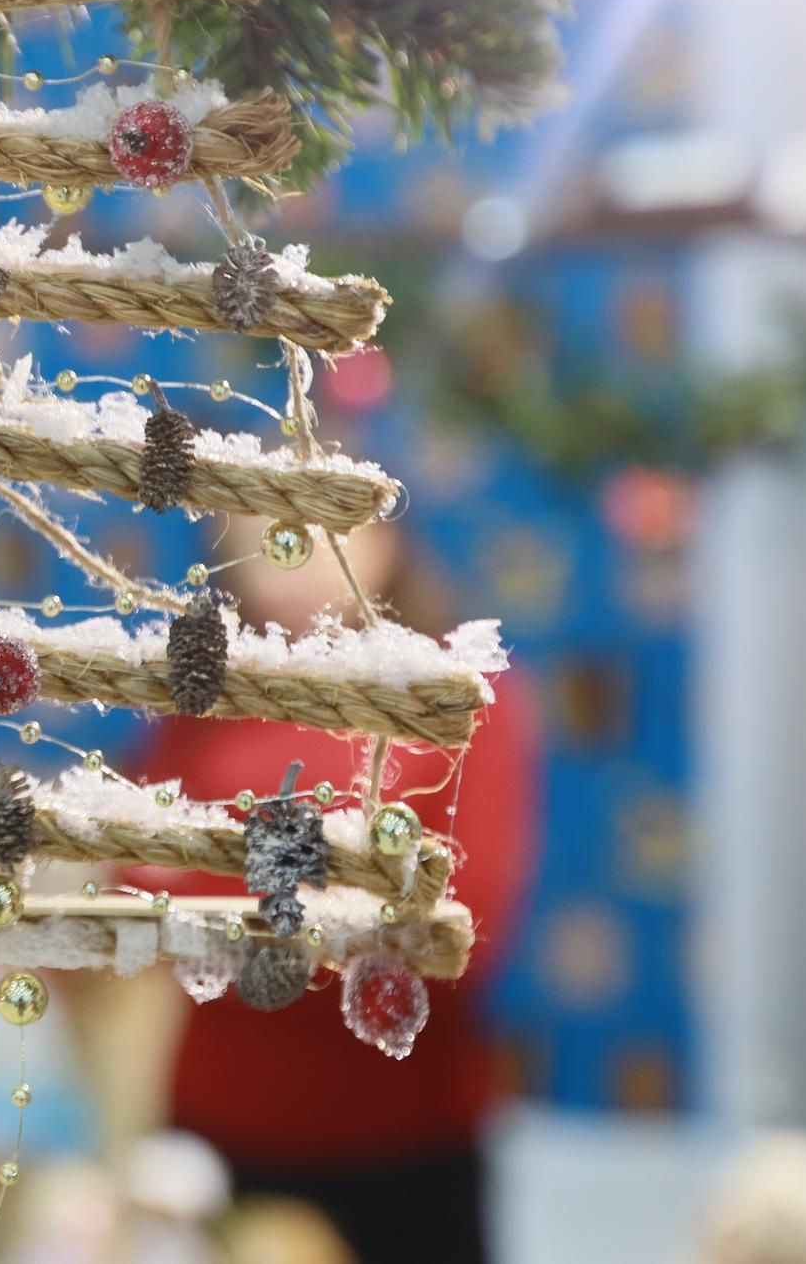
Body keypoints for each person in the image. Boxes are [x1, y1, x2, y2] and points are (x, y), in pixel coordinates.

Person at [130, 522, 541, 1264]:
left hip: (406, 1146)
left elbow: (461, 931)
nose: (287, 566)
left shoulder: (458, 699)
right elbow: (138, 883)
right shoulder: (203, 694)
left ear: (387, 538)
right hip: (219, 1131)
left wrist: (233, 894)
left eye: (315, 536)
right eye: (262, 542)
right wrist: (348, 895)